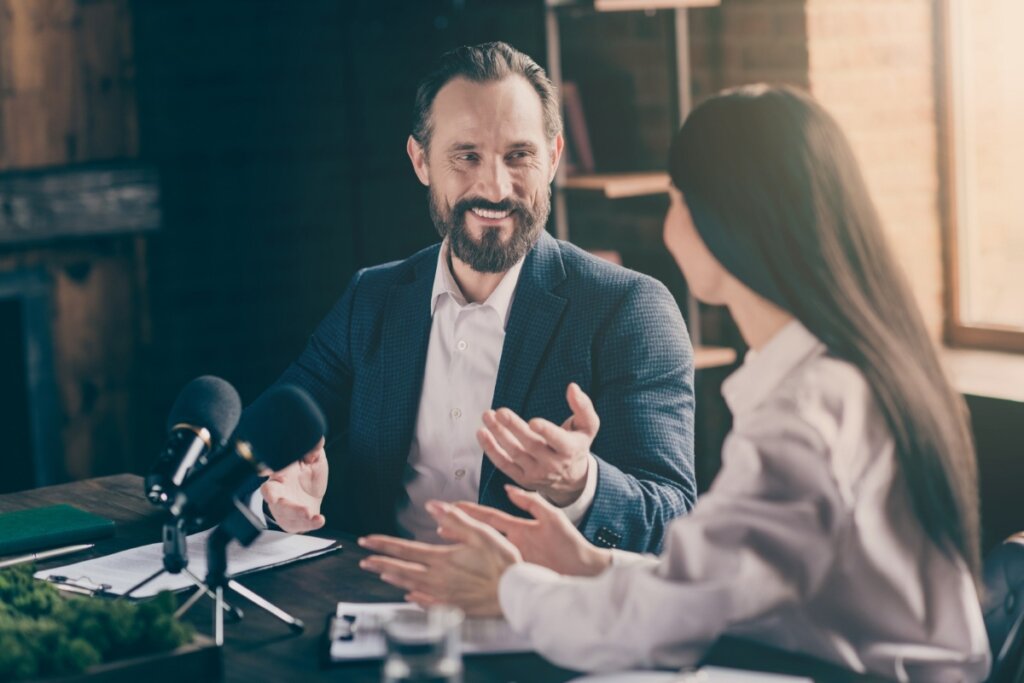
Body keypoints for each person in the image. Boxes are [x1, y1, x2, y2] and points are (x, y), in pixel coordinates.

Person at [358, 84, 991, 682]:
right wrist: (590, 563)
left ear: (731, 221)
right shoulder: (851, 372)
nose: (670, 221)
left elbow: (673, 618)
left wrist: (505, 588)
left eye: (678, 200)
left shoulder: (806, 412)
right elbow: (728, 579)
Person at [254, 42, 697, 554]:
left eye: (518, 156)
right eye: (467, 156)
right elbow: (264, 439)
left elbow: (672, 520)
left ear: (552, 158)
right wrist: (274, 485)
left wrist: (581, 485)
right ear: (421, 160)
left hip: (533, 617)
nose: (495, 185)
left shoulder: (630, 310)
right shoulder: (370, 299)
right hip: (377, 602)